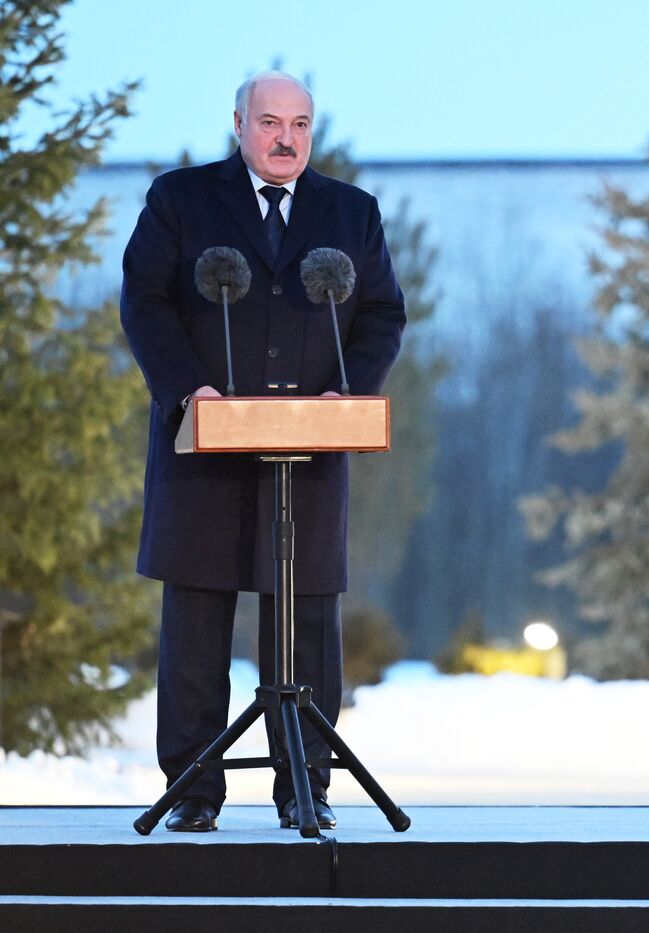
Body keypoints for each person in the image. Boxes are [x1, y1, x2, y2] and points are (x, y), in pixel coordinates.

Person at [120, 71, 406, 832]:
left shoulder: (351, 211)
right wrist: (189, 389)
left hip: (309, 451)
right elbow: (143, 300)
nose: (287, 138)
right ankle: (192, 788)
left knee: (306, 618)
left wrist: (353, 391)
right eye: (271, 122)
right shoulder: (181, 199)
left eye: (301, 124)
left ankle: (303, 783)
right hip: (203, 442)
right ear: (239, 123)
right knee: (197, 618)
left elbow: (381, 311)